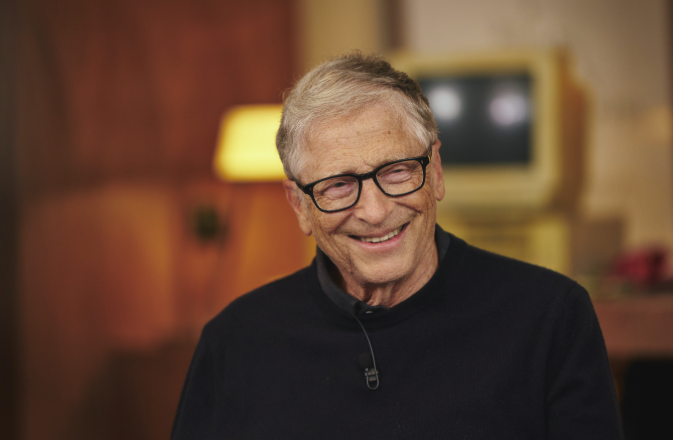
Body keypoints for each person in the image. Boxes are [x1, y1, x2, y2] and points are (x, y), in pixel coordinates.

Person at [171, 52, 623, 439]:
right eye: (338, 185)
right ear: (300, 206)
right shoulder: (233, 342)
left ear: (436, 171)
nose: (374, 211)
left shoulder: (552, 317)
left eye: (397, 171)